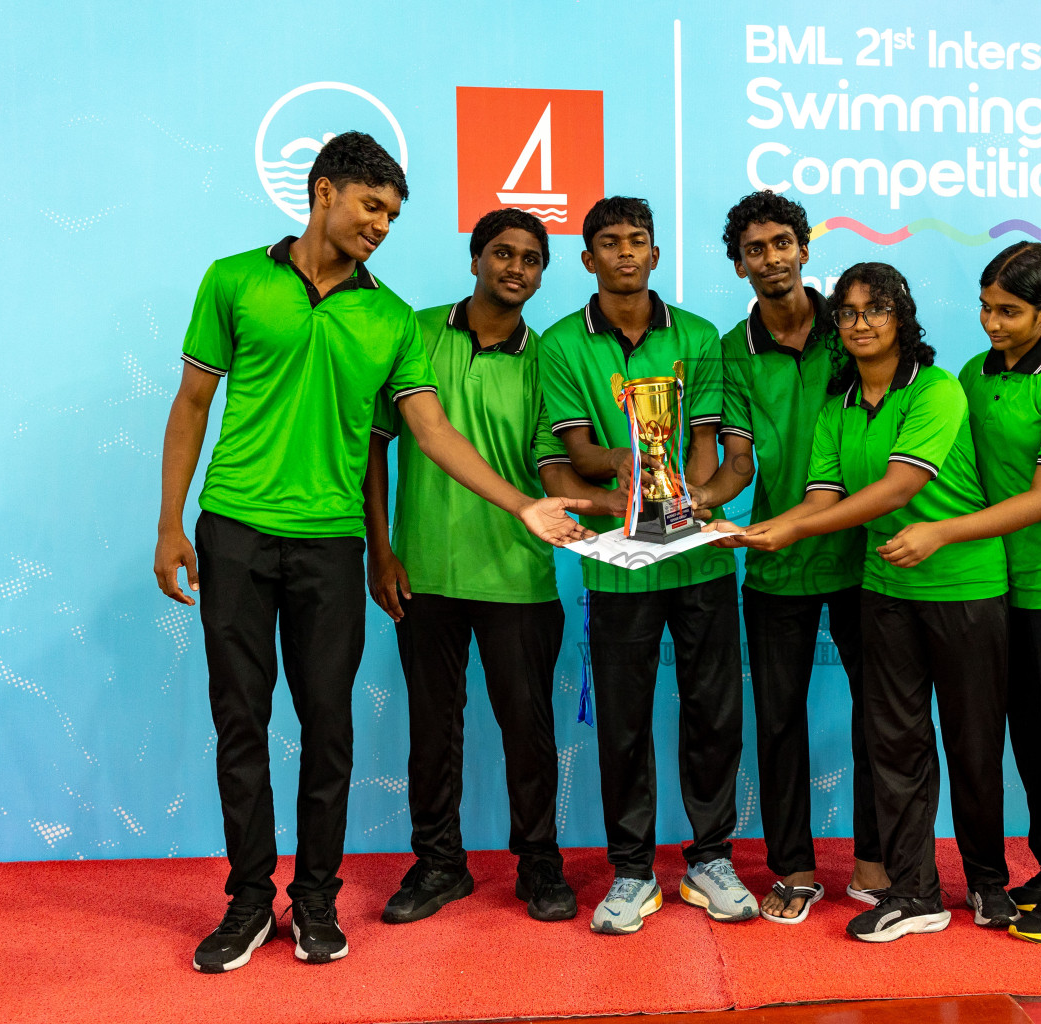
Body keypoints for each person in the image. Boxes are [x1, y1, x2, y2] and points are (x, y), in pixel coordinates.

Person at [154, 133, 591, 973]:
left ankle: (313, 900)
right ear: (323, 192)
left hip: (329, 545)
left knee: (329, 727)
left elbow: (430, 430)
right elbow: (192, 401)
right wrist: (171, 524)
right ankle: (249, 903)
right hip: (234, 530)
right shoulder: (233, 279)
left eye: (392, 214)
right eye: (371, 206)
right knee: (239, 723)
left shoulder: (391, 318)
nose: (382, 225)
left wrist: (522, 501)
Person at [711, 262, 1011, 943]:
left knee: (970, 743)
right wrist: (760, 530)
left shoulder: (937, 389)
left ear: (903, 316)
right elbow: (824, 497)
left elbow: (899, 487)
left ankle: (989, 883)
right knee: (898, 744)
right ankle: (914, 893)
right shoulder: (837, 410)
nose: (861, 323)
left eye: (876, 309)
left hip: (966, 588)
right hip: (887, 591)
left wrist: (786, 528)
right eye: (847, 313)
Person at [363, 209, 625, 927]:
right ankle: (439, 864)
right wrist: (379, 550)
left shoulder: (549, 359)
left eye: (532, 259)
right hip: (425, 571)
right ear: (475, 258)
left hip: (519, 576)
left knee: (529, 730)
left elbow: (548, 465)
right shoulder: (412, 331)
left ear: (544, 273)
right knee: (432, 729)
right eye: (503, 254)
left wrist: (622, 501)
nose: (517, 268)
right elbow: (374, 448)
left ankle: (539, 863)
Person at [878, 242, 1041, 945]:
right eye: (985, 307)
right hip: (1001, 585)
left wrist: (942, 533)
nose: (992, 322)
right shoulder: (969, 375)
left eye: (1010, 311)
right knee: (1034, 744)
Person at [538, 196, 755, 934]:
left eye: (638, 241)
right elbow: (577, 454)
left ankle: (710, 860)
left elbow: (708, 442)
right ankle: (632, 871)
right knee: (624, 724)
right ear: (588, 258)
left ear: (656, 255)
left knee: (714, 715)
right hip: (618, 568)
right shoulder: (562, 342)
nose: (625, 252)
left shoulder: (697, 335)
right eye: (609, 242)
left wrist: (688, 501)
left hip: (697, 565)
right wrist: (633, 466)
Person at [691, 193, 886, 925]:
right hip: (776, 561)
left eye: (781, 243)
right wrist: (689, 511)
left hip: (867, 559)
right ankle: (795, 867)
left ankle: (874, 859)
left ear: (805, 249)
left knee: (881, 717)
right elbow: (738, 462)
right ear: (738, 264)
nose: (770, 258)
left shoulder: (853, 328)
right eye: (754, 249)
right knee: (777, 722)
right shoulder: (730, 351)